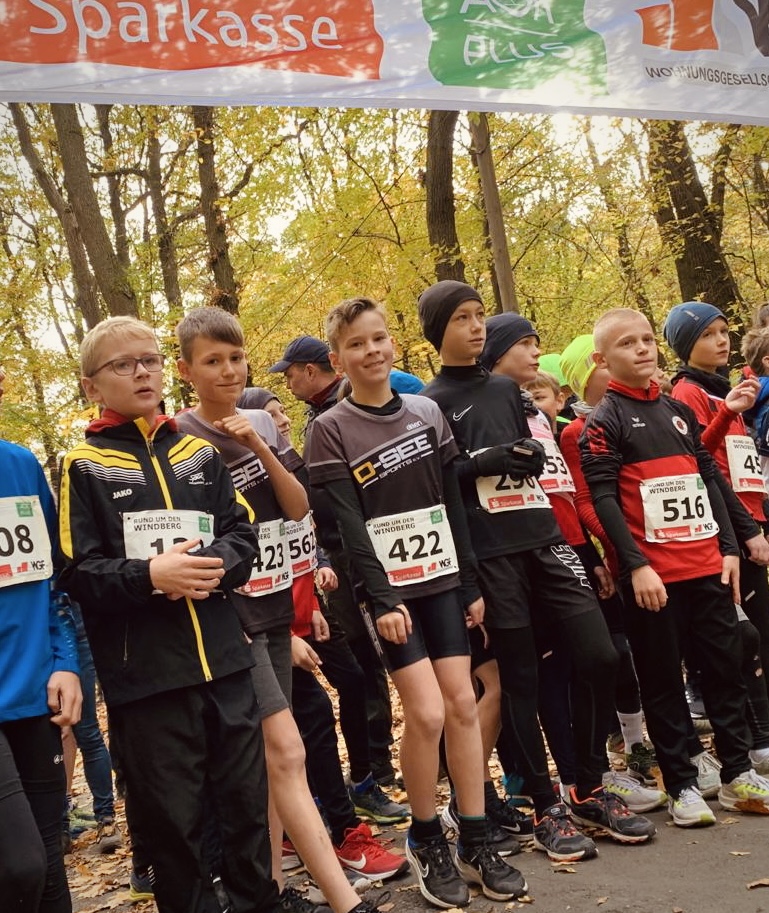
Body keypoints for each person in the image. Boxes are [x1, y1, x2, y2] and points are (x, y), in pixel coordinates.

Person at [175, 306, 402, 909]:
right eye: (213, 361)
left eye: (236, 358)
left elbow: (298, 508)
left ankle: (270, 889)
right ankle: (340, 897)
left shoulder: (259, 422)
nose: (229, 371)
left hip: (279, 608)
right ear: (187, 370)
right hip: (235, 619)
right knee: (287, 751)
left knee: (275, 760)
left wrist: (258, 445)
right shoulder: (180, 437)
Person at [418, 282, 652, 862]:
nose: (476, 327)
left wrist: (525, 456)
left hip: (545, 539)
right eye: (463, 318)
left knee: (601, 654)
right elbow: (441, 483)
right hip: (492, 553)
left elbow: (530, 454)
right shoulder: (429, 402)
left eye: (480, 316)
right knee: (520, 679)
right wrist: (485, 465)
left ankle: (588, 787)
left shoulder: (506, 389)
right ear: (438, 329)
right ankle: (546, 806)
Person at [307, 296, 527, 908]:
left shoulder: (427, 412)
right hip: (389, 592)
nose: (371, 351)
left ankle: (475, 839)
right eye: (356, 344)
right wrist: (380, 597)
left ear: (393, 343)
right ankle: (426, 835)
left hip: (444, 581)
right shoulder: (330, 428)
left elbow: (452, 503)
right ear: (338, 359)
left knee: (464, 704)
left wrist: (471, 584)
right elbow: (347, 525)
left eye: (378, 338)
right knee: (426, 714)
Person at [58, 316, 278, 913]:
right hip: (148, 681)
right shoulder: (82, 464)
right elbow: (77, 571)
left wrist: (214, 565)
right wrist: (150, 576)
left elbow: (242, 532)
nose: (142, 373)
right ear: (92, 386)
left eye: (150, 360)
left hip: (225, 663)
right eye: (123, 365)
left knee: (246, 812)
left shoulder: (198, 452)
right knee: (177, 831)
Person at [579, 307, 769, 827]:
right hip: (654, 579)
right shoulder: (603, 421)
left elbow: (709, 480)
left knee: (725, 668)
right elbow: (602, 499)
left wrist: (730, 546)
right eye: (627, 343)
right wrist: (635, 565)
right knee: (663, 680)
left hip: (707, 565)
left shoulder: (676, 410)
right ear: (602, 360)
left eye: (646, 339)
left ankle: (736, 774)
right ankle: (682, 782)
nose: (642, 349)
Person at [269, 337, 395, 787]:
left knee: (370, 653)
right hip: (329, 556)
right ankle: (370, 765)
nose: (288, 384)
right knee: (359, 654)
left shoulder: (347, 404)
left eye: (290, 374)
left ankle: (378, 761)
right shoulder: (314, 416)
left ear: (310, 369)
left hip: (359, 546)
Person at [664, 302, 769, 775]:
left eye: (725, 331)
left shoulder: (724, 387)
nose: (722, 341)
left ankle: (760, 733)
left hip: (750, 516)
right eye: (708, 335)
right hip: (724, 525)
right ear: (686, 346)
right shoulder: (687, 391)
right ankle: (754, 738)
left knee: (758, 631)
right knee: (744, 636)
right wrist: (741, 529)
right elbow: (698, 458)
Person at [0, 362, 83, 912]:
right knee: (21, 865)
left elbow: (53, 578)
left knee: (51, 866)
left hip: (35, 693)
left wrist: (65, 659)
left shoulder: (21, 464)